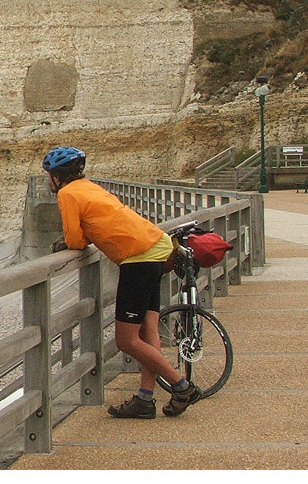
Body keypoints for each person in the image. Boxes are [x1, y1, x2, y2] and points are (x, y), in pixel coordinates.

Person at [42, 146, 202, 419]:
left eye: (48, 175)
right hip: (158, 247)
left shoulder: (68, 194)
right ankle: (145, 399)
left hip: (138, 259)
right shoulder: (88, 186)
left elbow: (75, 240)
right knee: (148, 330)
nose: (47, 181)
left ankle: (182, 386)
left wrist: (74, 240)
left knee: (126, 340)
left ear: (58, 177)